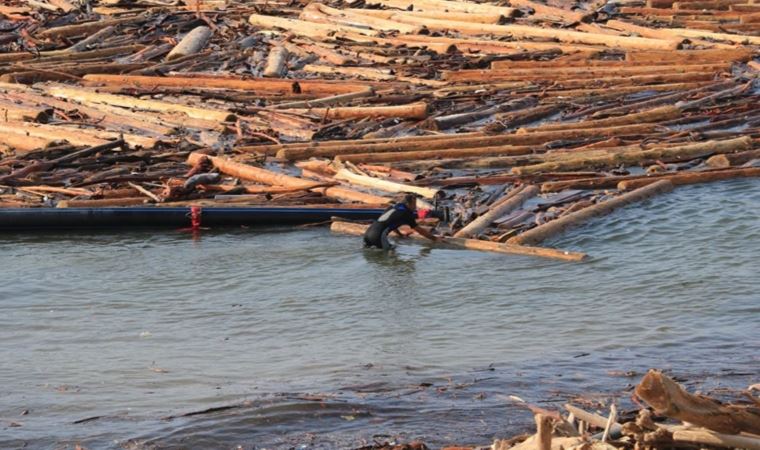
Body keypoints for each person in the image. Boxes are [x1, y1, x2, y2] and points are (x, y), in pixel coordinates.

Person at [363, 193, 438, 250]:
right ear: (408, 203)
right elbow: (419, 230)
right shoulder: (406, 213)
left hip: (367, 235)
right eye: (414, 204)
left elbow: (389, 223)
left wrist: (400, 235)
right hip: (378, 236)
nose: (415, 207)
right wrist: (435, 239)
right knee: (389, 253)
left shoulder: (393, 207)